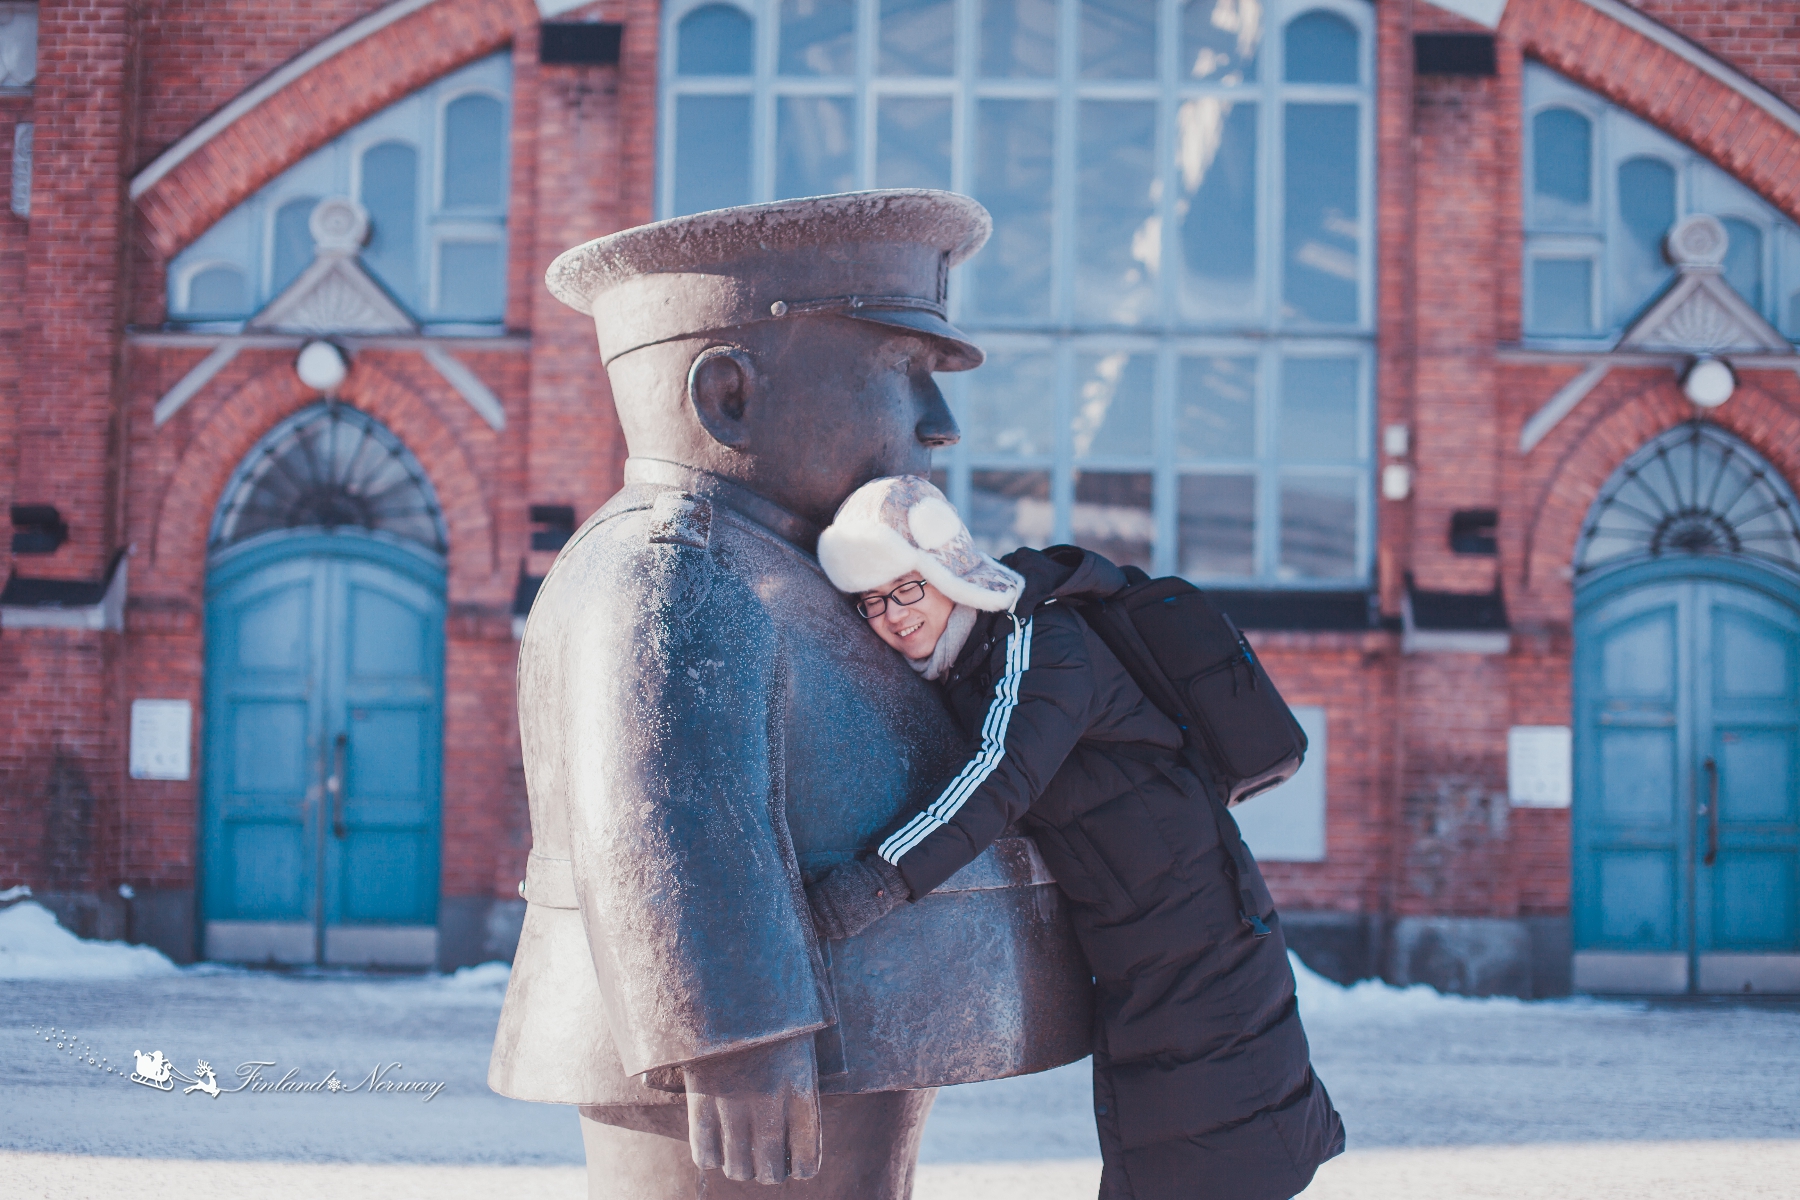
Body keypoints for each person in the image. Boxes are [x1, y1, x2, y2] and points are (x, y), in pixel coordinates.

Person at [807, 475, 1346, 1200]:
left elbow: (999, 775)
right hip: (1143, 950)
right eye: (871, 603)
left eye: (906, 589)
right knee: (1158, 1162)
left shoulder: (1040, 638)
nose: (892, 617)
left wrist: (872, 884)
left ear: (947, 572)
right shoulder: (970, 663)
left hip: (1200, 940)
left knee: (1214, 1163)